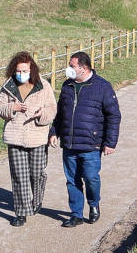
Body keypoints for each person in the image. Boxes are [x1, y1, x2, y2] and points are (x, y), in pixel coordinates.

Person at [50, 51, 121, 228]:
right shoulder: (67, 86)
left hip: (91, 144)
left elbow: (113, 116)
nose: (68, 69)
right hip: (70, 143)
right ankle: (76, 214)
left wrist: (110, 143)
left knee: (90, 178)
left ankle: (94, 203)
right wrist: (54, 132)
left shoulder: (102, 86)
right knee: (72, 180)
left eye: (72, 66)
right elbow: (60, 113)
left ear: (84, 68)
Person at [0, 51, 57, 227]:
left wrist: (41, 114)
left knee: (37, 173)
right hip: (15, 136)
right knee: (19, 176)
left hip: (37, 137)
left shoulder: (43, 86)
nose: (22, 74)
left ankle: (36, 200)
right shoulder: (8, 86)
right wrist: (11, 107)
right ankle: (21, 212)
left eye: (25, 70)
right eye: (19, 71)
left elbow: (52, 109)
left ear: (32, 69)